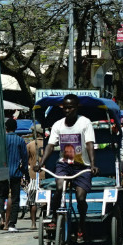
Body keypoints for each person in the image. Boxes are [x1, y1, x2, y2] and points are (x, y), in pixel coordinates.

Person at [45, 94, 99, 224]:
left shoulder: (85, 122)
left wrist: (92, 164)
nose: (67, 110)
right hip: (64, 165)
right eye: (65, 108)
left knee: (80, 198)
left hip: (82, 166)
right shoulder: (58, 125)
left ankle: (82, 223)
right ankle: (53, 216)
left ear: (77, 107)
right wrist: (40, 163)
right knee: (59, 188)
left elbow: (90, 144)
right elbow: (50, 146)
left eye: (71, 108)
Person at [0, 114, 29, 233]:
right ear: (15, 128)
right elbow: (24, 159)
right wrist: (25, 174)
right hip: (15, 174)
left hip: (2, 172)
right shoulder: (20, 141)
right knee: (15, 199)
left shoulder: (1, 140)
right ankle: (11, 224)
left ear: (6, 128)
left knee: (1, 196)